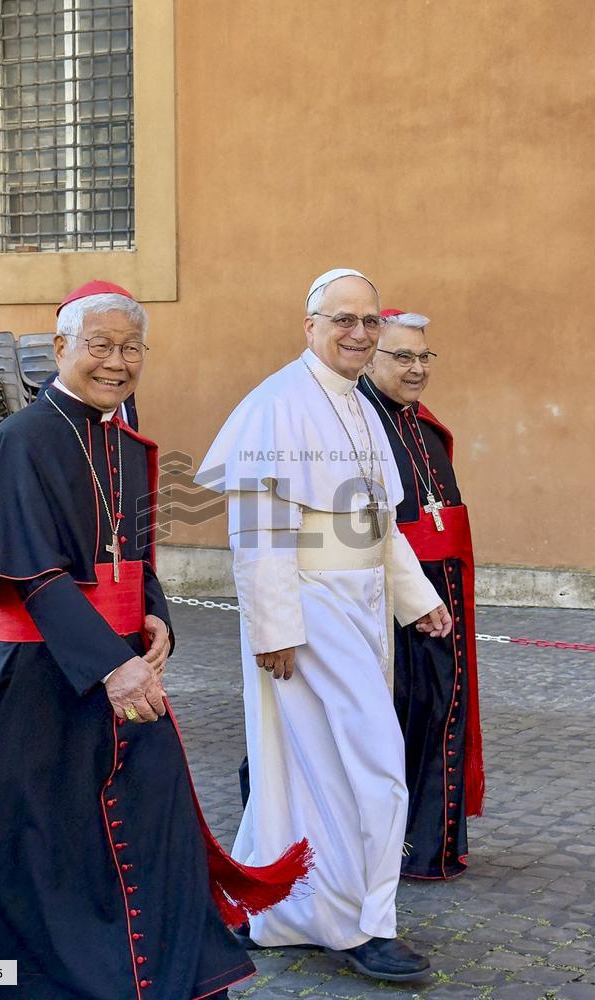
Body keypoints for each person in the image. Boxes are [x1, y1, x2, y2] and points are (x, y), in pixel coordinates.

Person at [0, 280, 310, 1000]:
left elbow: (134, 553)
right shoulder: (22, 439)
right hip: (41, 679)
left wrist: (154, 617)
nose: (117, 361)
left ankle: (138, 975)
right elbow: (31, 571)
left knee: (148, 831)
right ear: (61, 348)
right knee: (19, 848)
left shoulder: (122, 441)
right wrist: (111, 668)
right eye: (100, 345)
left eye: (131, 348)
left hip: (122, 666)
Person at [195, 269, 453, 982]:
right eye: (344, 319)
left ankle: (276, 906)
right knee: (374, 766)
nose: (360, 333)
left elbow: (378, 521)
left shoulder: (359, 404)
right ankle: (365, 925)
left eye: (369, 321)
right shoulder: (277, 403)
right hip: (309, 612)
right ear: (309, 324)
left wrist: (414, 598)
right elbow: (257, 529)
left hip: (361, 608)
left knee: (306, 772)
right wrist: (274, 627)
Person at [358, 308, 485, 879]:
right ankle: (385, 847)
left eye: (422, 356)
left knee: (440, 714)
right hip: (389, 600)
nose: (415, 369)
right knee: (394, 717)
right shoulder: (356, 423)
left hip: (445, 590)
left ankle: (431, 846)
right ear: (370, 355)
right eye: (401, 356)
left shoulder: (425, 426)